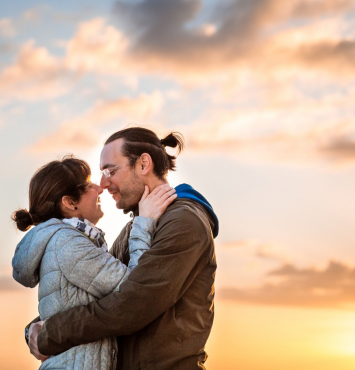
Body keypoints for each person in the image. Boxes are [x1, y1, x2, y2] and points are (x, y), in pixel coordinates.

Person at [28, 128, 219, 370]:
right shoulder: (134, 229)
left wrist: (49, 334)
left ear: (143, 164)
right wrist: (35, 328)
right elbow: (92, 293)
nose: (103, 184)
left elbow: (132, 303)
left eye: (111, 170)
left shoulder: (184, 222)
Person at [11, 156, 177, 369]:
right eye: (89, 185)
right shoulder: (68, 243)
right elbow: (134, 289)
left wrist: (35, 330)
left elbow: (73, 303)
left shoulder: (63, 241)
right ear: (70, 203)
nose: (99, 188)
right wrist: (145, 223)